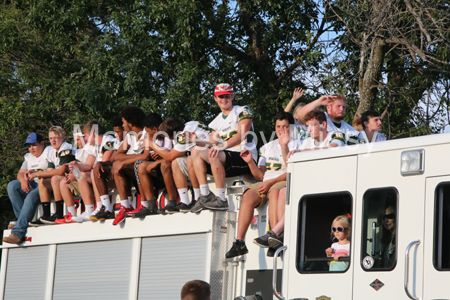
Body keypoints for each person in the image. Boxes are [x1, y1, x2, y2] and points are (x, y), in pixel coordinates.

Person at [225, 111, 301, 259]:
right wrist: (250, 162)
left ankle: (275, 238)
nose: (281, 129)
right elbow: (260, 175)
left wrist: (270, 183)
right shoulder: (267, 146)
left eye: (285, 126)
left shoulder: (298, 144)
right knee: (247, 195)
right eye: (278, 126)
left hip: (282, 181)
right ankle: (239, 242)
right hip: (266, 182)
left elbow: (292, 170)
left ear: (291, 127)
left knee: (273, 191)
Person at [190, 83, 258, 212]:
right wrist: (196, 140)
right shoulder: (215, 122)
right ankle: (205, 194)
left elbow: (242, 134)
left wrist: (221, 146)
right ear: (215, 98)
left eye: (227, 96)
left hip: (245, 156)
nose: (224, 99)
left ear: (232, 97)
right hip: (226, 158)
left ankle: (221, 199)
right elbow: (212, 143)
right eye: (220, 97)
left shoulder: (242, 110)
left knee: (214, 153)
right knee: (195, 151)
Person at [144, 117, 220, 214]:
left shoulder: (183, 136)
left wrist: (150, 143)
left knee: (190, 159)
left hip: (213, 156)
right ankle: (185, 201)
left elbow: (169, 156)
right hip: (211, 151)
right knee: (177, 161)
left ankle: (197, 198)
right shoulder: (191, 123)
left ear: (171, 137)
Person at [90, 106, 148, 225]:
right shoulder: (130, 136)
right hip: (131, 169)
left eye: (124, 122)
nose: (122, 125)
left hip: (145, 171)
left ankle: (126, 205)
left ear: (130, 123)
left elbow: (145, 157)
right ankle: (107, 208)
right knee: (99, 168)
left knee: (118, 165)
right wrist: (101, 162)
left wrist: (124, 161)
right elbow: (117, 156)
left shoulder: (146, 134)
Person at [57, 121, 117, 223]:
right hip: (89, 177)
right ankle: (74, 214)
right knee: (63, 181)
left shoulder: (103, 142)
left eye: (79, 138)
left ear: (92, 134)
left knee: (88, 174)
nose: (77, 142)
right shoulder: (86, 148)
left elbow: (98, 165)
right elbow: (87, 165)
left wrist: (75, 173)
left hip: (104, 175)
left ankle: (99, 206)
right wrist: (76, 166)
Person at [2, 133, 52, 245]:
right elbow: (20, 174)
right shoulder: (28, 157)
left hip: (47, 186)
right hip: (34, 185)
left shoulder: (49, 152)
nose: (31, 148)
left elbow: (52, 172)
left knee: (31, 195)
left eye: (34, 145)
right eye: (29, 146)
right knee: (12, 186)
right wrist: (23, 181)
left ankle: (18, 232)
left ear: (42, 143)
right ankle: (21, 220)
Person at [127, 113, 174, 218]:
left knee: (164, 164)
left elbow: (171, 155)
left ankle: (172, 201)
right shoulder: (156, 138)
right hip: (162, 166)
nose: (147, 134)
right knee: (140, 165)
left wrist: (157, 161)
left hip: (171, 165)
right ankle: (150, 204)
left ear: (155, 129)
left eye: (148, 131)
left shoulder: (167, 135)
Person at [26, 126, 76, 225]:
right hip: (64, 179)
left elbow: (61, 171)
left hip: (75, 178)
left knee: (55, 179)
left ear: (63, 137)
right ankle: (46, 215)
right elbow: (49, 171)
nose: (53, 140)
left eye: (56, 137)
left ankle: (59, 213)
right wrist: (35, 172)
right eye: (51, 138)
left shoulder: (66, 148)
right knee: (42, 181)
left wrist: (38, 173)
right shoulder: (52, 151)